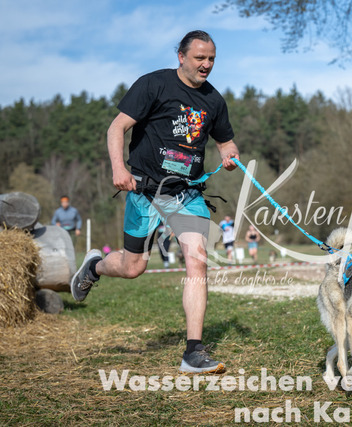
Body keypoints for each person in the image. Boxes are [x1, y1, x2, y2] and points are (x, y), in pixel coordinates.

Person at [70, 30, 239, 374]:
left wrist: (230, 155)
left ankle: (193, 352)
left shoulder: (214, 100)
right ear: (181, 56)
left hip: (186, 192)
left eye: (211, 59)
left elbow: (226, 143)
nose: (206, 64)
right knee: (133, 268)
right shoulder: (154, 84)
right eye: (200, 58)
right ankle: (94, 267)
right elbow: (116, 128)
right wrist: (119, 168)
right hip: (144, 189)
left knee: (197, 258)